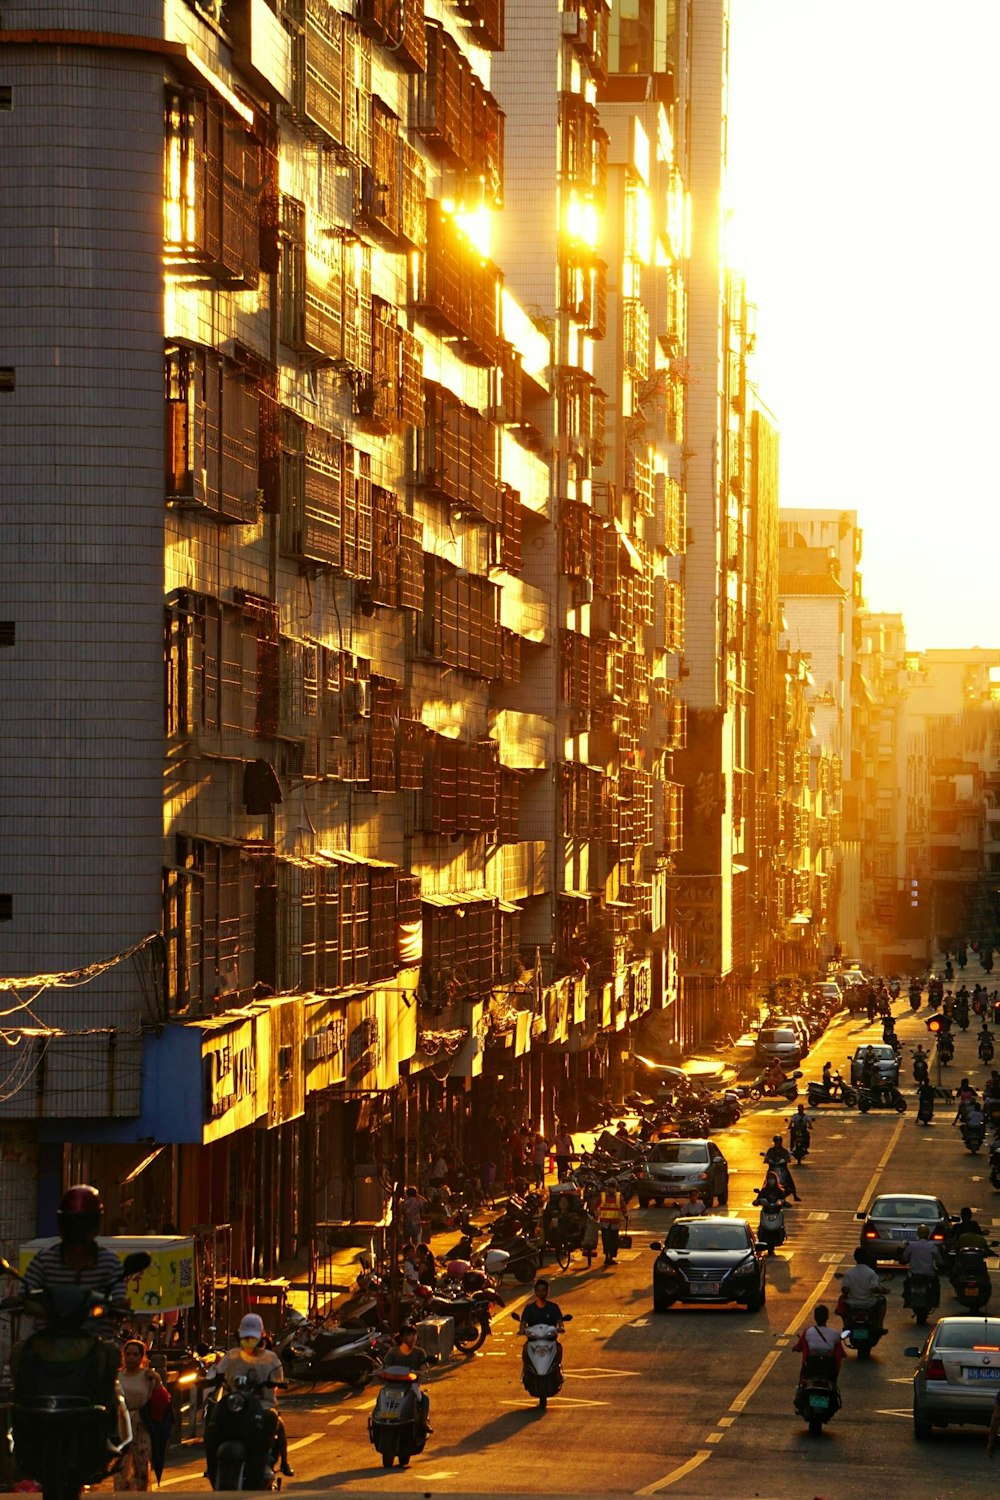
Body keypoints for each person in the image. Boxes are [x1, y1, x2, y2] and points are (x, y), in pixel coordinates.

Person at [23, 1185, 128, 1306]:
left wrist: (120, 1305)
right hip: (54, 1325)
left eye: (83, 1225)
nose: (76, 1231)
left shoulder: (109, 1262)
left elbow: (119, 1297)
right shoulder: (44, 1261)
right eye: (71, 1224)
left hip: (95, 1324)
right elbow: (25, 1295)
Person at [216, 1314, 292, 1476]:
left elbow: (278, 1379)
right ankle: (212, 1465)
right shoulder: (231, 1356)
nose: (248, 1343)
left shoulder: (270, 1358)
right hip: (235, 1404)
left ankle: (271, 1459)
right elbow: (218, 1373)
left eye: (252, 1339)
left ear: (261, 1338)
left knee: (273, 1419)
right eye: (245, 1339)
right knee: (214, 1422)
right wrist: (209, 1379)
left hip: (263, 1405)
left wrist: (273, 1384)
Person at [114, 1339, 166, 1492]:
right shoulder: (117, 1377)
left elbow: (162, 1399)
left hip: (142, 1425)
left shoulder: (148, 1376)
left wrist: (157, 1380)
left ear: (142, 1356)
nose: (131, 1357)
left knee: (142, 1467)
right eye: (128, 1354)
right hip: (121, 1424)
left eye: (135, 1354)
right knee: (120, 1468)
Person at [386, 1323, 431, 1437]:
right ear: (402, 1338)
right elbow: (384, 1367)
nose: (412, 1337)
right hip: (393, 1386)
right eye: (409, 1335)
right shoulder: (392, 1352)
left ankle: (423, 1423)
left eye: (414, 1335)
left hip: (411, 1386)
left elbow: (424, 1366)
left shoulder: (419, 1352)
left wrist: (422, 1371)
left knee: (424, 1399)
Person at [837, 1248, 887, 1330]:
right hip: (869, 1303)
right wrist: (883, 1290)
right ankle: (879, 1325)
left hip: (852, 1303)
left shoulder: (849, 1273)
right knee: (882, 1300)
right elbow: (874, 1289)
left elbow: (845, 1289)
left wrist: (845, 1293)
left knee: (841, 1299)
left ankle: (845, 1325)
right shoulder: (871, 1273)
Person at [900, 1224, 944, 1308]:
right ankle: (935, 1301)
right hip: (928, 1275)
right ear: (928, 1234)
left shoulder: (912, 1245)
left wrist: (903, 1261)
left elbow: (904, 1258)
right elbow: (939, 1262)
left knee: (906, 1284)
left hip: (913, 1275)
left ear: (918, 1234)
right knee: (936, 1284)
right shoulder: (932, 1246)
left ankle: (907, 1300)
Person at [795, 1304, 843, 1375]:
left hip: (811, 1369)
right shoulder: (834, 1333)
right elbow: (840, 1352)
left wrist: (794, 1348)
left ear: (815, 1317)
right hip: (829, 1370)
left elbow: (799, 1346)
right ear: (827, 1317)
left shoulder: (808, 1332)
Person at [596, 1185, 626, 1266]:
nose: (612, 1189)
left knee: (614, 1241)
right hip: (605, 1223)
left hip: (615, 1223)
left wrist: (626, 1215)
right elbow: (595, 1204)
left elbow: (623, 1206)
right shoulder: (602, 1196)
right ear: (608, 1188)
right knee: (606, 1241)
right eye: (611, 1187)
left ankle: (611, 1257)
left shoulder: (619, 1196)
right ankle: (607, 1257)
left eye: (613, 1187)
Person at [763, 1135, 801, 1201]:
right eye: (777, 1141)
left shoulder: (784, 1151)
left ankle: (795, 1196)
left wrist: (787, 1159)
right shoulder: (770, 1150)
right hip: (773, 1169)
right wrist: (767, 1159)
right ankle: (762, 1195)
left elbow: (788, 1159)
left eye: (779, 1141)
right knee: (766, 1181)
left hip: (782, 1168)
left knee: (790, 1181)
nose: (778, 1143)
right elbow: (767, 1159)